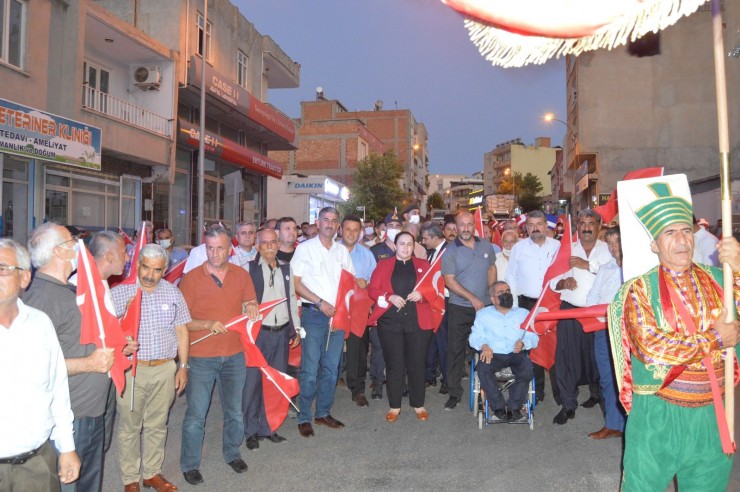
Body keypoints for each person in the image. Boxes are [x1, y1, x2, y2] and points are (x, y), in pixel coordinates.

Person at [608, 183, 740, 491]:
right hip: (659, 413)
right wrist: (716, 339)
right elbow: (652, 348)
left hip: (713, 413)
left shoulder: (721, 279)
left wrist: (738, 265)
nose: (681, 240)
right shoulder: (638, 290)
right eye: (670, 233)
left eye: (686, 230)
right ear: (654, 245)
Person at [23, 223, 115, 492]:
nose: (79, 247)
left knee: (88, 483)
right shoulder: (41, 297)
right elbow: (32, 365)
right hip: (70, 417)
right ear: (61, 252)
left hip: (89, 411)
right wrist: (89, 364)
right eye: (73, 241)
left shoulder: (67, 290)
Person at [178, 227, 259, 485]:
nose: (214, 253)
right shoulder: (190, 279)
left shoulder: (241, 274)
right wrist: (207, 324)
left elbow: (249, 301)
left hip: (234, 355)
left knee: (234, 410)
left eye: (220, 248)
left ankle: (232, 452)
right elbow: (181, 322)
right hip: (201, 357)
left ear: (229, 249)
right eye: (210, 248)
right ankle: (190, 464)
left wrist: (252, 306)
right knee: (196, 414)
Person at [0, 239, 80, 490]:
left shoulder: (40, 324)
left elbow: (57, 388)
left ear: (24, 278)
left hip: (36, 465)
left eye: (2, 267)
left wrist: (67, 447)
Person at [111, 244, 191, 492]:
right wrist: (121, 343)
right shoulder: (121, 293)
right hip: (132, 369)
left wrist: (183, 366)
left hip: (165, 368)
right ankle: (130, 479)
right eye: (145, 267)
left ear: (164, 270)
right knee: (130, 427)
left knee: (158, 424)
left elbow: (182, 331)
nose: (149, 274)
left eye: (156, 270)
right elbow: (106, 332)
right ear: (137, 265)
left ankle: (152, 473)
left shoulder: (173, 293)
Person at [292, 207, 355, 438]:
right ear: (317, 223)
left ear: (338, 226)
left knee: (330, 368)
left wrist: (341, 313)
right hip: (314, 315)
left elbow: (349, 285)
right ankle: (304, 417)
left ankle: (323, 413)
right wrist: (320, 303)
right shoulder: (305, 249)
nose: (329, 224)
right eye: (325, 220)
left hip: (336, 317)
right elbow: (297, 284)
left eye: (334, 221)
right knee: (310, 369)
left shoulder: (342, 252)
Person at [550, 209, 612, 425]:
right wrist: (562, 283)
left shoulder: (610, 249)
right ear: (577, 226)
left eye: (591, 223)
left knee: (600, 360)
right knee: (567, 359)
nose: (586, 227)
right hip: (571, 311)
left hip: (600, 314)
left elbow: (617, 272)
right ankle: (568, 405)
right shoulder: (566, 248)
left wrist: (587, 266)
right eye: (582, 223)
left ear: (599, 226)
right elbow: (551, 280)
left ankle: (603, 403)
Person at [243, 229, 301, 449]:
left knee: (275, 383)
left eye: (272, 242)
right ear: (257, 245)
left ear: (278, 244)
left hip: (281, 334)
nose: (269, 246)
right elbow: (242, 304)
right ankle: (250, 431)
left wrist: (295, 328)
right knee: (253, 384)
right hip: (258, 336)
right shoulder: (248, 270)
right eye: (264, 243)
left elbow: (292, 299)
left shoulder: (286, 268)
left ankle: (269, 428)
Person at [368, 231, 434, 422]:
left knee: (417, 365)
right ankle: (394, 406)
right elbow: (373, 289)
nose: (405, 247)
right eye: (402, 244)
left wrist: (423, 294)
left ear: (415, 247)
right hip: (390, 323)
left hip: (418, 323)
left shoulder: (424, 265)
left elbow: (435, 288)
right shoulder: (383, 265)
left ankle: (418, 404)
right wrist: (389, 296)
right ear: (395, 246)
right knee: (394, 365)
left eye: (409, 244)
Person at [441, 211, 497, 410]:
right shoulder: (450, 251)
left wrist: (492, 292)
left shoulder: (485, 245)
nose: (465, 229)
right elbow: (449, 281)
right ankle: (454, 392)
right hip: (460, 308)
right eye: (461, 225)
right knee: (455, 351)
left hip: (486, 309)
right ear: (455, 227)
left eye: (469, 224)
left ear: (475, 226)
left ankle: (489, 390)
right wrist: (472, 298)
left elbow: (491, 268)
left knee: (487, 348)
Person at [504, 210, 561, 402]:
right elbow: (510, 276)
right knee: (531, 347)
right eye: (531, 225)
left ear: (546, 226)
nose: (535, 228)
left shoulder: (558, 246)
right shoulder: (519, 248)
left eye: (539, 224)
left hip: (552, 303)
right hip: (527, 303)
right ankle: (537, 391)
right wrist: (514, 305)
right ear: (526, 228)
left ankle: (560, 393)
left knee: (555, 347)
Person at [87, 231, 134, 455]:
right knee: (86, 449)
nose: (127, 259)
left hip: (105, 377)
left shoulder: (103, 284)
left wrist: (120, 344)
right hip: (89, 384)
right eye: (124, 253)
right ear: (108, 256)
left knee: (99, 446)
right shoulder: (82, 287)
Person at [469, 281, 539, 422]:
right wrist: (484, 346)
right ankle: (498, 407)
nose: (506, 294)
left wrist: (524, 343)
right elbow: (474, 336)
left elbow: (533, 337)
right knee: (482, 368)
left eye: (508, 291)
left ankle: (514, 407)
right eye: (501, 292)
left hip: (516, 353)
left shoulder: (523, 313)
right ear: (493, 299)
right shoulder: (483, 315)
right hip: (493, 353)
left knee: (527, 367)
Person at [584, 226, 625, 440]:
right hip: (604, 330)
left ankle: (634, 426)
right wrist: (602, 317)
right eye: (609, 243)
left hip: (630, 333)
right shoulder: (605, 268)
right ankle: (613, 424)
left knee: (632, 379)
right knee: (607, 378)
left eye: (617, 241)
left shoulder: (639, 267)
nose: (612, 247)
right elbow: (592, 298)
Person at [339, 215, 377, 407]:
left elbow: (377, 283)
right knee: (329, 350)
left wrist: (367, 282)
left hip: (358, 311)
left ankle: (358, 388)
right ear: (340, 230)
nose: (352, 233)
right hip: (334, 309)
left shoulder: (366, 254)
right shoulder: (331, 251)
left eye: (356, 230)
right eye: (348, 229)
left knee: (358, 350)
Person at [367, 212, 405, 400]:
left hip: (401, 305)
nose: (394, 230)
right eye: (391, 226)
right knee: (379, 345)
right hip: (380, 304)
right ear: (384, 228)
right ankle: (377, 381)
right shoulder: (374, 251)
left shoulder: (406, 250)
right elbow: (369, 282)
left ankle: (398, 380)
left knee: (400, 345)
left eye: (398, 227)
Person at [420, 221, 449, 392]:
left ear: (435, 237)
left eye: (425, 239)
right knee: (431, 342)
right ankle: (430, 375)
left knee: (444, 344)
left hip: (445, 304)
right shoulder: (432, 253)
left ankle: (447, 379)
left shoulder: (448, 251)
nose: (423, 242)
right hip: (432, 303)